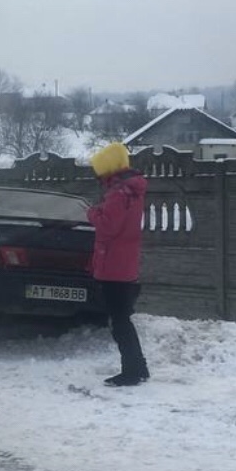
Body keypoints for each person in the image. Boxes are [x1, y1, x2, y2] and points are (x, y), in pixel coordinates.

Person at [87, 142, 151, 387]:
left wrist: (92, 213)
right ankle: (139, 367)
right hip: (124, 264)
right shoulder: (131, 192)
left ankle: (132, 371)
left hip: (113, 265)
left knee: (120, 321)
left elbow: (107, 227)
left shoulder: (118, 193)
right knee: (123, 318)